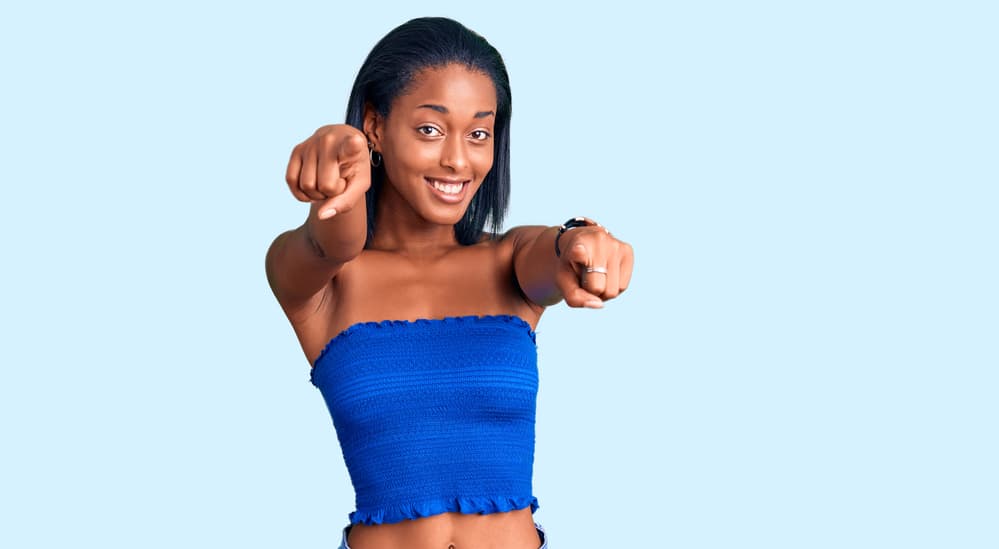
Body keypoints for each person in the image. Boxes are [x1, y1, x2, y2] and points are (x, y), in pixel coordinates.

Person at [265, 17, 634, 549]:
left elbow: (553, 253)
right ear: (375, 125)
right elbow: (333, 242)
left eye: (479, 133)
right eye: (430, 130)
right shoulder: (323, 283)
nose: (459, 159)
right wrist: (340, 155)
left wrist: (583, 239)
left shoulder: (507, 261)